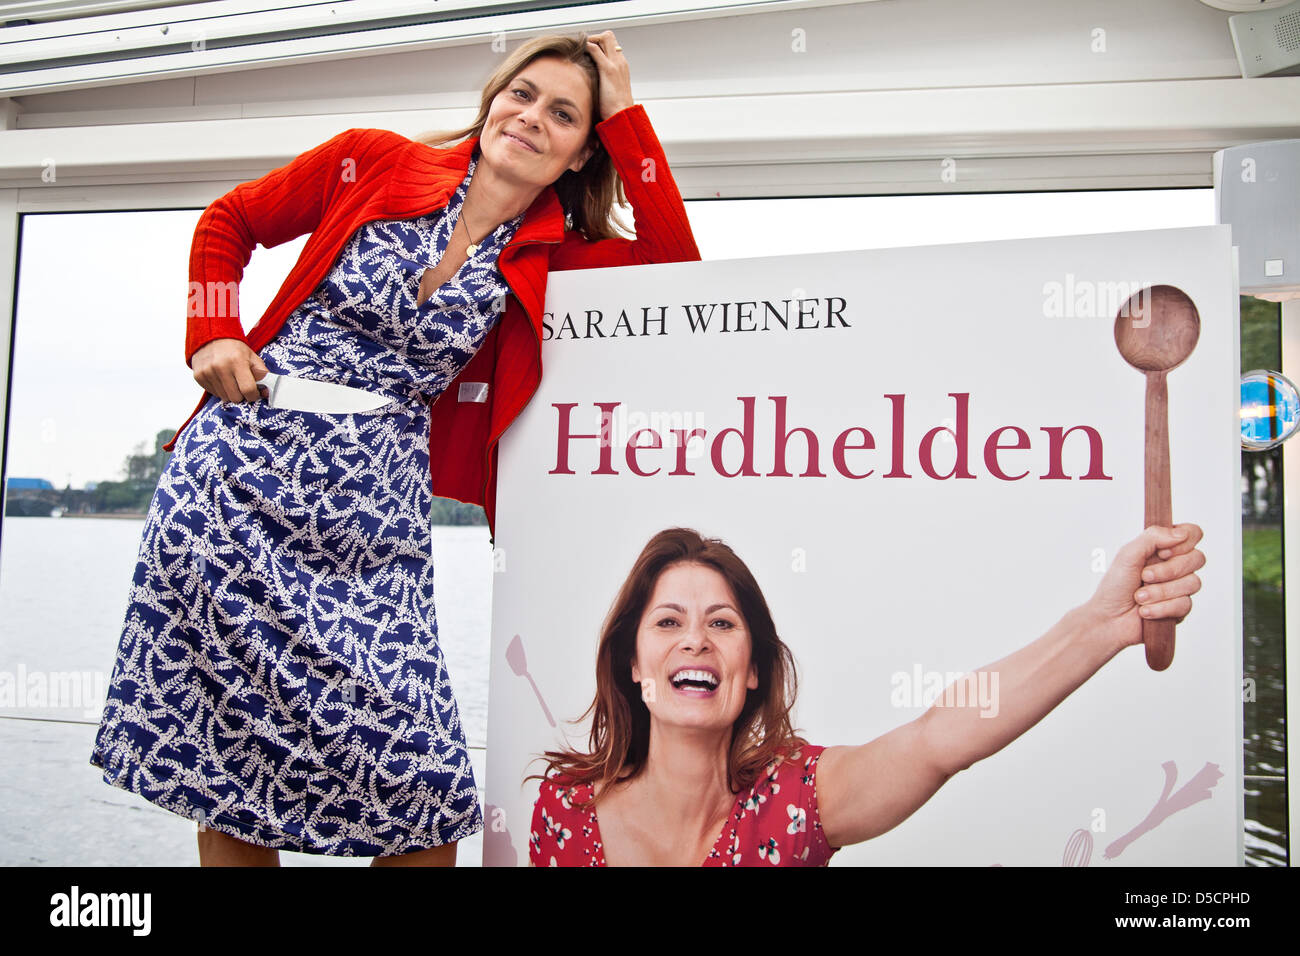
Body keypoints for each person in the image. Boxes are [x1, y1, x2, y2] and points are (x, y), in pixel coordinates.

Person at [89, 30, 700, 867]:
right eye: (520, 93)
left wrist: (629, 121)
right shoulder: (372, 161)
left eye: (564, 114)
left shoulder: (555, 253)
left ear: (581, 150)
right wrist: (211, 332)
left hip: (373, 521)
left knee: (424, 790)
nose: (530, 118)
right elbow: (228, 220)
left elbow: (677, 267)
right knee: (224, 770)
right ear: (493, 99)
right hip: (235, 484)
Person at [528, 524, 1205, 866]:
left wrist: (1101, 624)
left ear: (753, 668)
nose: (695, 641)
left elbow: (941, 738)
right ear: (633, 662)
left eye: (723, 623)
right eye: (668, 621)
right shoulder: (564, 813)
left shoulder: (795, 801)